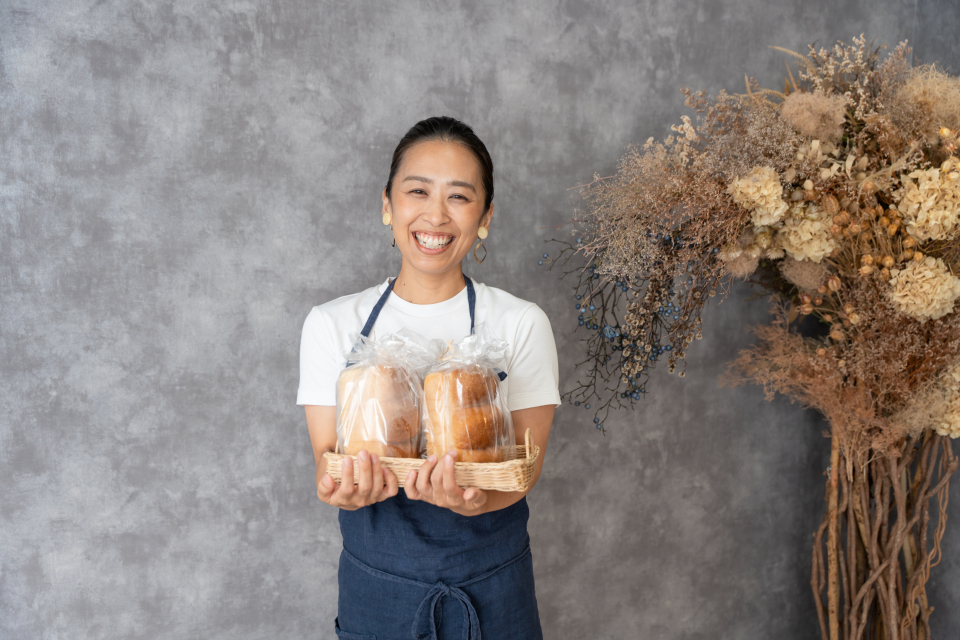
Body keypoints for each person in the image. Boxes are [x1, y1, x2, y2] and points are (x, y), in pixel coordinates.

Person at [297, 116, 560, 640]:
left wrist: (476, 499)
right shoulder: (332, 324)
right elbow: (329, 461)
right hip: (379, 592)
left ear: (485, 217)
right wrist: (342, 491)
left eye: (459, 197)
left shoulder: (520, 323)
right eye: (417, 191)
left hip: (493, 587)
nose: (435, 215)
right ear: (387, 205)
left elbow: (523, 473)